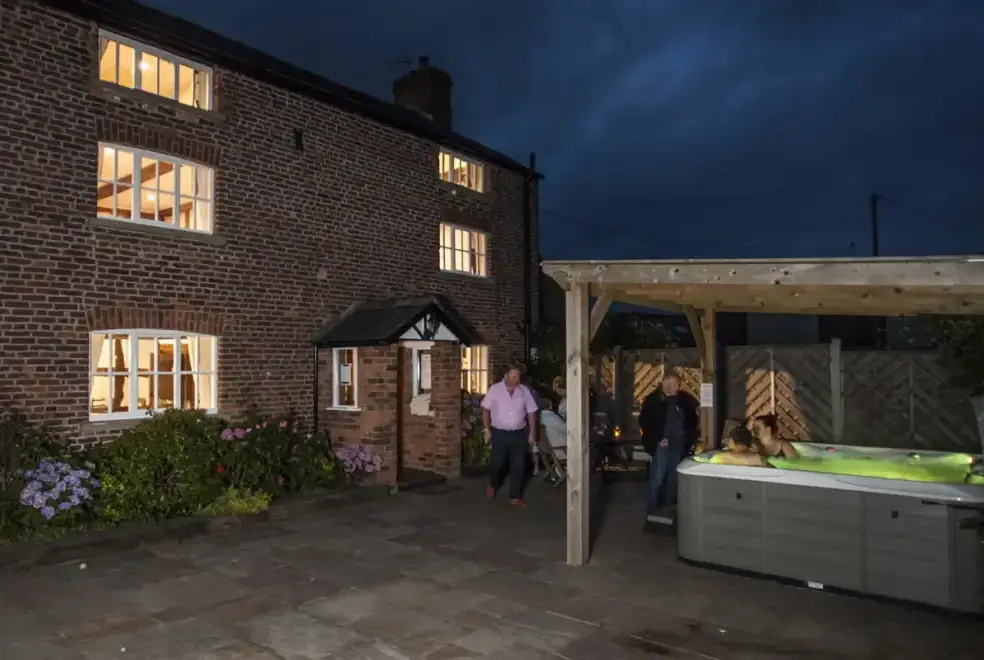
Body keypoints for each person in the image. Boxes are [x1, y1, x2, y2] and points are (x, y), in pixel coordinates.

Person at [638, 373, 699, 522]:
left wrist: (689, 437)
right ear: (662, 384)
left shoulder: (685, 399)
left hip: (679, 442)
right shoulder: (653, 400)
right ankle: (652, 513)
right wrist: (659, 437)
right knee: (658, 477)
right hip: (661, 444)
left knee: (673, 478)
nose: (671, 388)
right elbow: (645, 422)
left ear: (679, 385)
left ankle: (668, 511)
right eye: (667, 385)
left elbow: (693, 418)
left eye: (674, 385)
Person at [482, 365, 539, 506]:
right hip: (499, 433)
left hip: (518, 433)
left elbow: (532, 412)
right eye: (513, 376)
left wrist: (533, 432)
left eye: (517, 377)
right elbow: (485, 409)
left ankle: (515, 496)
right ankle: (493, 483)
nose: (515, 380)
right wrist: (487, 429)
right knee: (497, 463)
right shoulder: (495, 390)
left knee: (518, 465)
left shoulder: (524, 391)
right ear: (506, 376)